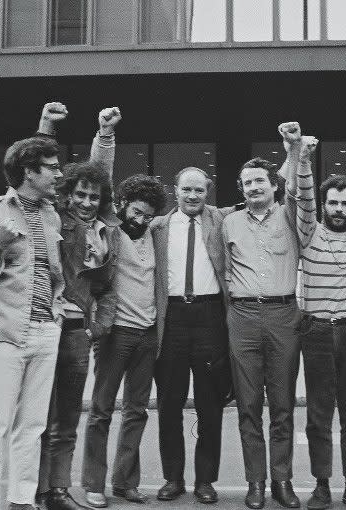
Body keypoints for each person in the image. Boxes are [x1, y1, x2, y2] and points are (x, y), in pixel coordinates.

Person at [0, 133, 66, 510]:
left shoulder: (51, 213)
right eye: (52, 168)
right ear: (29, 171)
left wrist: (57, 311)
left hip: (45, 329)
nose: (59, 174)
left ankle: (21, 500)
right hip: (3, 332)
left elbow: (50, 270)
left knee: (33, 427)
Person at [35, 104, 123, 510]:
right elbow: (37, 168)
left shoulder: (106, 231)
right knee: (36, 419)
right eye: (80, 195)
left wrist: (96, 329)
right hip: (42, 330)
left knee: (67, 421)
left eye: (93, 197)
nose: (88, 202)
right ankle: (29, 489)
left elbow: (106, 290)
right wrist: (50, 127)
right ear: (67, 195)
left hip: (76, 338)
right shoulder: (54, 218)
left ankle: (56, 491)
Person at [222, 122, 310, 510]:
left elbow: (297, 189)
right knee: (247, 406)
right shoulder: (229, 222)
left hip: (283, 316)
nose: (253, 187)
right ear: (240, 190)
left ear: (273, 185)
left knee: (283, 405)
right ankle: (255, 482)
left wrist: (292, 149)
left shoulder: (290, 215)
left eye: (260, 181)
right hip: (242, 316)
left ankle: (282, 481)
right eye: (247, 183)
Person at [81, 174, 168, 508]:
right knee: (101, 410)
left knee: (136, 411)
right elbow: (102, 172)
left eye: (147, 214)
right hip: (115, 332)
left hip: (148, 334)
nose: (140, 219)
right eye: (135, 211)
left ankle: (125, 482)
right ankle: (93, 483)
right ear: (122, 205)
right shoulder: (111, 230)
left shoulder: (156, 233)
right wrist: (106, 134)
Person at [293, 158, 346, 510]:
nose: (339, 209)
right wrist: (303, 159)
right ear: (323, 205)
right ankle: (322, 485)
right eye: (333, 203)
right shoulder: (308, 233)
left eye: (345, 203)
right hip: (316, 331)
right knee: (319, 413)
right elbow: (302, 198)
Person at [150, 167, 234, 504]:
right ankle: (173, 477)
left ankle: (204, 481)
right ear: (175, 190)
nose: (192, 196)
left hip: (209, 316)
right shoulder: (158, 226)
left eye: (199, 190)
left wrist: (295, 155)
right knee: (169, 402)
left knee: (209, 404)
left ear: (208, 190)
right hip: (171, 318)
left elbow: (265, 199)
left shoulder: (220, 219)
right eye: (186, 189)